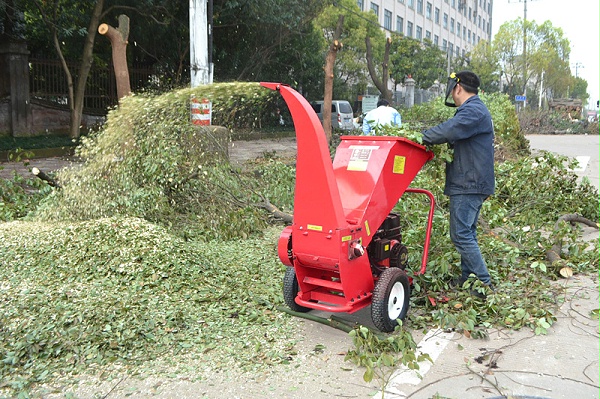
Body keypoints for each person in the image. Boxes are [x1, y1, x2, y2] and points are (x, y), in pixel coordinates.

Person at [421, 71, 495, 295]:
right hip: (471, 180)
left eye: (453, 90)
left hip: (469, 182)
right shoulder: (474, 110)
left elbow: (450, 129)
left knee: (461, 234)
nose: (452, 94)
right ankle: (468, 280)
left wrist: (421, 137)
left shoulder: (472, 111)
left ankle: (484, 283)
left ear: (458, 88)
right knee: (467, 233)